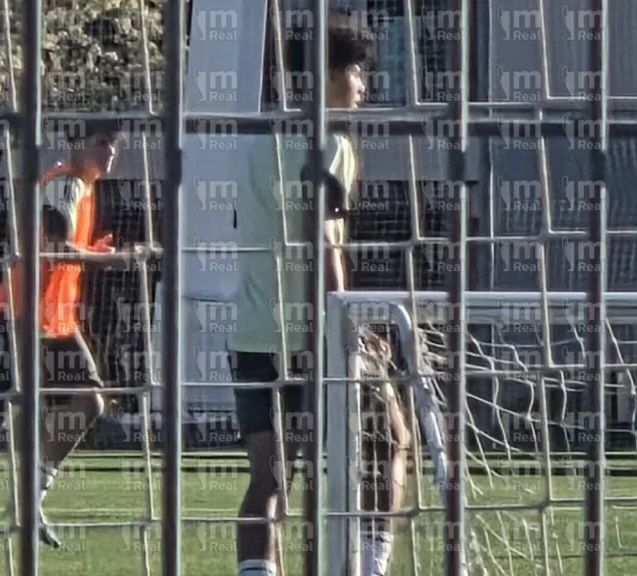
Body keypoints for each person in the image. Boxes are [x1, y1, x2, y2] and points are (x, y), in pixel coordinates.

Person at [228, 10, 410, 576]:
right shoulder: (330, 141)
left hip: (255, 334)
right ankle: (371, 566)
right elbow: (322, 240)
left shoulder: (259, 140)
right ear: (328, 74)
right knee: (391, 440)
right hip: (314, 336)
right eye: (357, 72)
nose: (364, 86)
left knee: (270, 476)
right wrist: (348, 324)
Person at [0, 128, 136, 548]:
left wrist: (95, 252)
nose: (110, 150)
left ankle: (29, 497)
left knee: (88, 399)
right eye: (101, 141)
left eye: (114, 143)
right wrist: (110, 259)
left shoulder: (81, 188)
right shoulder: (66, 183)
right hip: (21, 313)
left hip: (55, 319)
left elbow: (61, 247)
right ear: (77, 143)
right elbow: (54, 247)